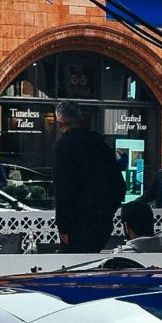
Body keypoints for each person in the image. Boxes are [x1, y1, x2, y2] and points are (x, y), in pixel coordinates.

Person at [50, 99, 124, 252]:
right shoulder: (101, 144)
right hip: (101, 223)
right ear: (81, 119)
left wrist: (63, 226)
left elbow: (63, 188)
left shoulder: (64, 146)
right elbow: (119, 185)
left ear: (59, 124)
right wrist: (105, 213)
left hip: (76, 224)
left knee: (74, 268)